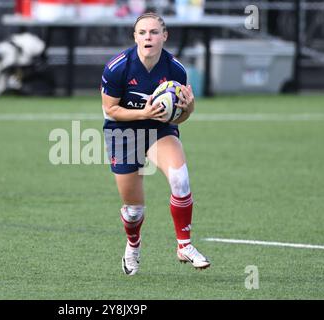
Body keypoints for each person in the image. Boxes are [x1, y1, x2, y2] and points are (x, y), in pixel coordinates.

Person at [101, 12, 210, 275]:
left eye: (153, 32)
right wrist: (143, 113)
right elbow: (111, 110)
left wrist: (189, 108)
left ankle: (184, 244)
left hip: (159, 130)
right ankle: (133, 245)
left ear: (164, 36)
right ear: (135, 37)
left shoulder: (176, 70)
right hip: (122, 131)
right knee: (134, 211)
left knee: (180, 179)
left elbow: (180, 117)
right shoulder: (118, 67)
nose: (148, 37)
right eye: (142, 32)